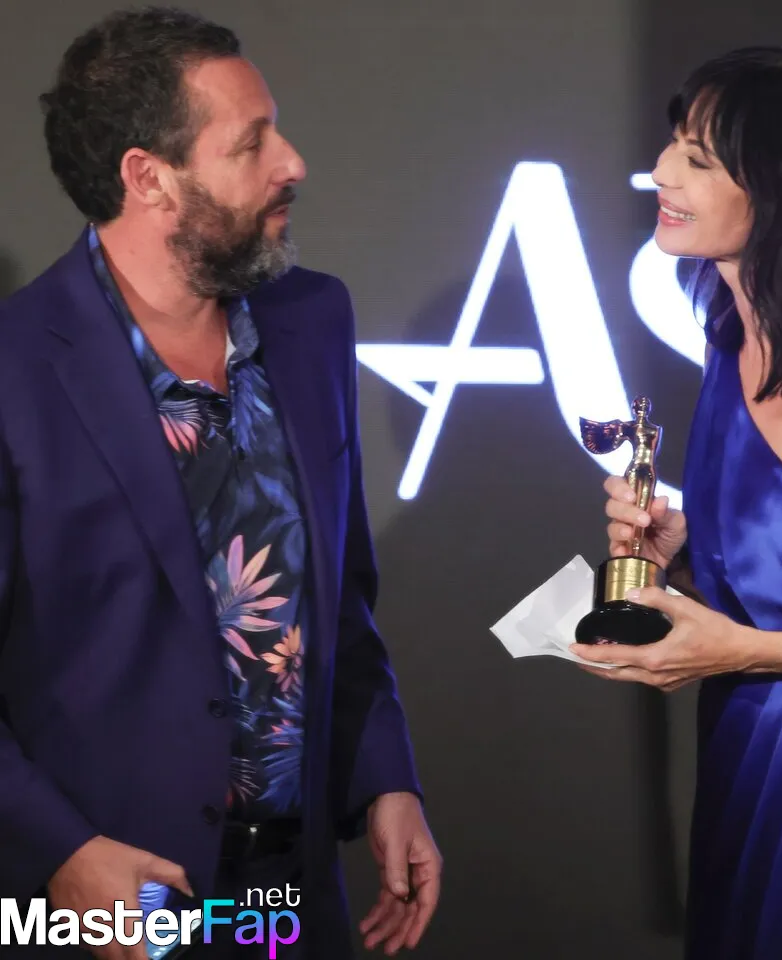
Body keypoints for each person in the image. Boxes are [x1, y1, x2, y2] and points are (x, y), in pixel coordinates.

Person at [0, 7, 441, 959]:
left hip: (288, 893)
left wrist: (383, 777)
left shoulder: (312, 319)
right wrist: (61, 851)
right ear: (147, 178)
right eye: (251, 143)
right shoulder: (14, 366)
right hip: (105, 901)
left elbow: (337, 596)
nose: (293, 162)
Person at [570, 46, 782, 959]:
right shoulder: (726, 333)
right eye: (673, 142)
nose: (661, 172)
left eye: (700, 159)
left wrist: (744, 650)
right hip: (747, 754)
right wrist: (684, 553)